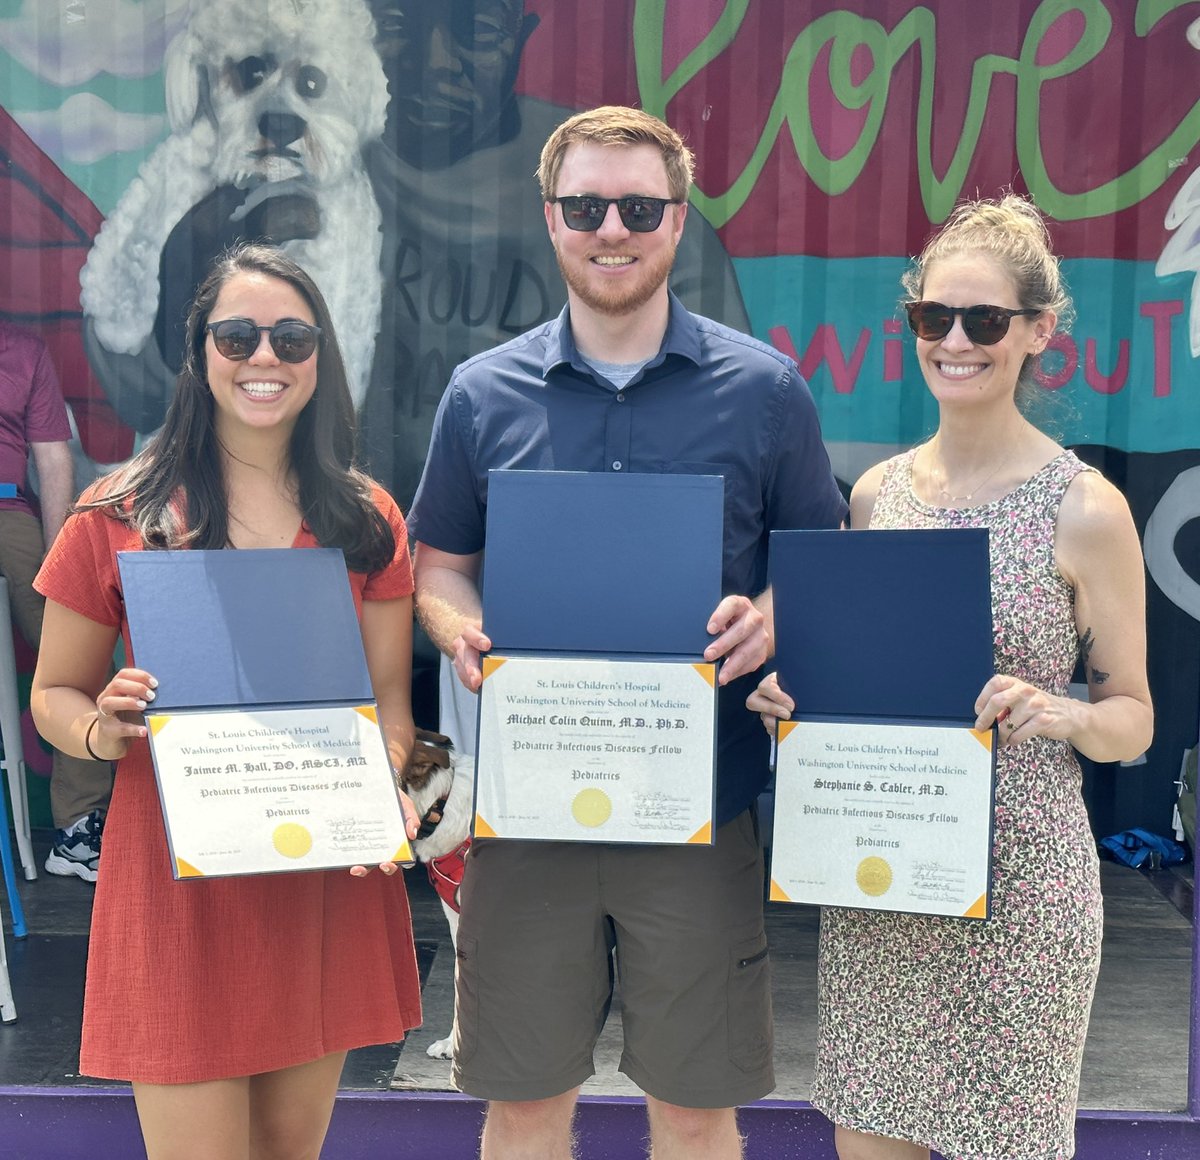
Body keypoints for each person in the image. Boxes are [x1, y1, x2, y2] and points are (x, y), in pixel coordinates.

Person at [408, 106, 847, 1159]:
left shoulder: (766, 391)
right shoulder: (480, 395)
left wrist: (775, 615)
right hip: (528, 811)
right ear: (550, 216)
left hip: (699, 808)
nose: (615, 228)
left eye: (639, 207)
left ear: (677, 219)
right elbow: (440, 564)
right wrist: (455, 625)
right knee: (521, 1102)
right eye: (588, 205)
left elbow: (820, 561)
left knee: (698, 1107)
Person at [748, 194, 1154, 1160]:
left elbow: (1134, 718)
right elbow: (862, 690)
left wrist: (1057, 711)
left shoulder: (1086, 510)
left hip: (1023, 888)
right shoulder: (876, 495)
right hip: (885, 875)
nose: (957, 341)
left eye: (985, 320)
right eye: (936, 318)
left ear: (1037, 332)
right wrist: (793, 718)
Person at [30, 243, 423, 1159]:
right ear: (199, 350)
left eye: (292, 337)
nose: (265, 358)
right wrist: (99, 726)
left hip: (316, 881)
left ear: (321, 356)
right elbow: (53, 693)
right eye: (237, 335)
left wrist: (390, 795)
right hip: (175, 892)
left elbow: (393, 714)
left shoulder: (367, 521)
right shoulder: (115, 516)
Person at [0, 320, 112, 881]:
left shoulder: (22, 351)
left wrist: (55, 565)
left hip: (6, 511)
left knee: (71, 643)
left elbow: (51, 460)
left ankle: (77, 828)